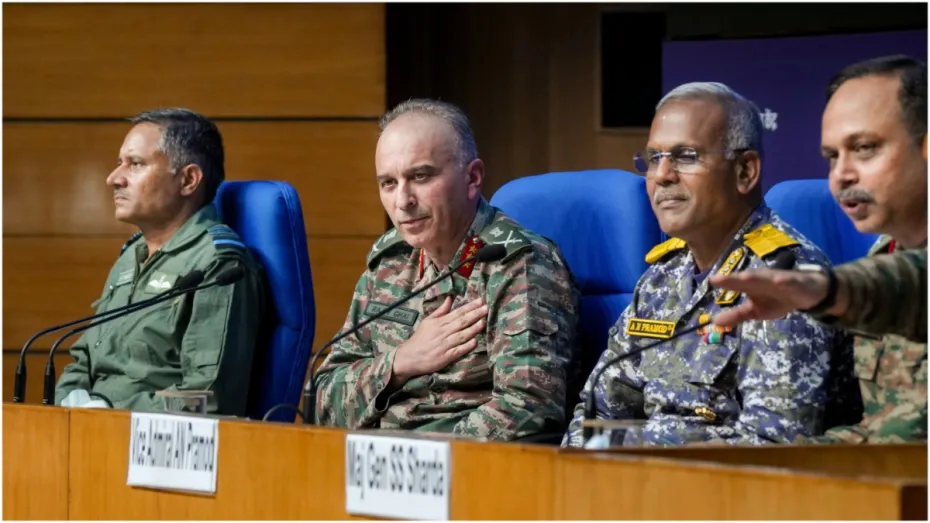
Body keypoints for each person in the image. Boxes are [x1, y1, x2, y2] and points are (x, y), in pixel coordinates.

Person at [563, 82, 860, 448]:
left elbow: (773, 445)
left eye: (686, 156)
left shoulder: (784, 278)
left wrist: (636, 446)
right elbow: (597, 413)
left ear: (745, 171)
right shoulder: (661, 276)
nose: (662, 175)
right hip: (642, 476)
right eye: (654, 158)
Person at [314, 99, 580, 440]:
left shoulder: (520, 266)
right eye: (389, 183)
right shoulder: (389, 265)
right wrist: (399, 362)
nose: (403, 201)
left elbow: (529, 410)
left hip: (470, 465)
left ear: (472, 178)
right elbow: (323, 400)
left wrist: (420, 456)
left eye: (420, 176)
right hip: (380, 461)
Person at [55, 108, 267, 416]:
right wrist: (69, 401)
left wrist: (113, 412)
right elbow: (84, 359)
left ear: (188, 180)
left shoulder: (218, 266)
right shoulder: (132, 255)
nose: (114, 179)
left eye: (135, 164)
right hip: (91, 429)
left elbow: (207, 398)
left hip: (153, 440)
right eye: (119, 163)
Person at [806, 55, 925, 444]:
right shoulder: (884, 253)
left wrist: (824, 290)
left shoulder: (883, 274)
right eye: (832, 157)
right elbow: (882, 430)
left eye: (864, 148)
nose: (841, 175)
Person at [711, 249, 927, 344]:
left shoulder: (788, 259)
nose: (841, 176)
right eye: (832, 169)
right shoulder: (883, 250)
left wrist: (829, 290)